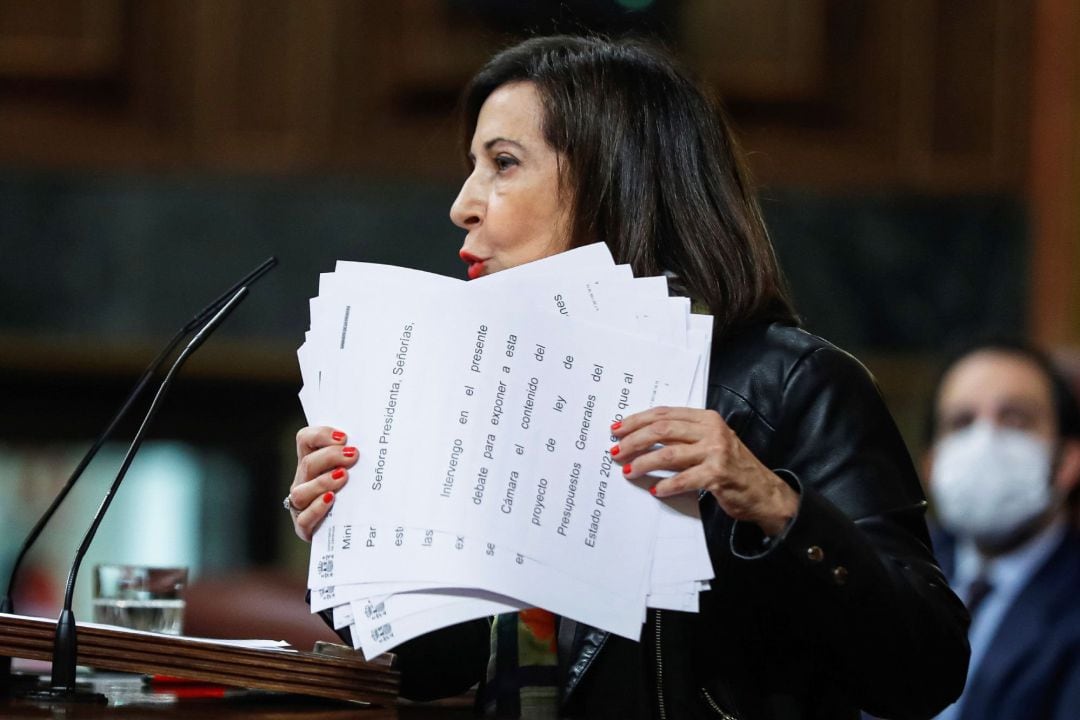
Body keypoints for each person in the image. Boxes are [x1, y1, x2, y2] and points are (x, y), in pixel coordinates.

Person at [287, 35, 969, 719]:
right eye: (472, 167)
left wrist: (773, 505)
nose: (464, 204)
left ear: (616, 178)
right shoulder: (498, 397)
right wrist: (349, 541)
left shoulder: (793, 382)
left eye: (502, 163)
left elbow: (924, 671)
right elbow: (433, 669)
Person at [923, 340, 1080, 720]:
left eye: (1015, 419)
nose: (985, 441)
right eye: (961, 422)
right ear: (930, 463)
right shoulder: (890, 568)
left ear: (1067, 461)